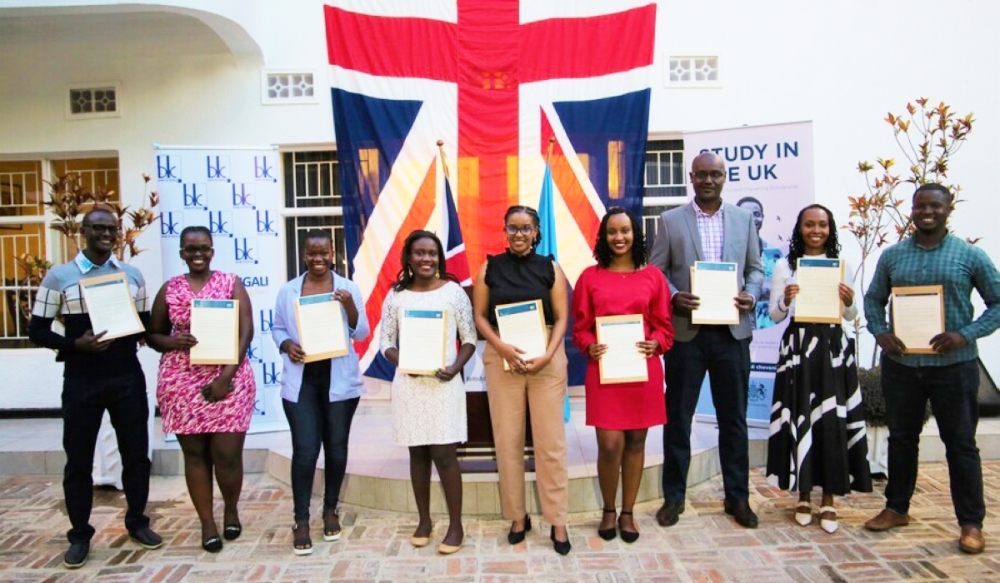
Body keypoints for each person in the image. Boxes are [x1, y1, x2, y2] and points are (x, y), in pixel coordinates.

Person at [863, 183, 1000, 554]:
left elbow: (997, 303)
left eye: (935, 206)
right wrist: (880, 332)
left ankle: (971, 523)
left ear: (948, 208)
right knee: (901, 439)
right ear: (912, 209)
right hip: (902, 365)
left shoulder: (970, 256)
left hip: (954, 366)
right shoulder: (893, 256)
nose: (927, 212)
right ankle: (896, 508)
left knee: (961, 444)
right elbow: (873, 299)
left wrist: (965, 334)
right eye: (920, 206)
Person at [27, 207, 163, 569]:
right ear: (83, 231)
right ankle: (79, 535)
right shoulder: (60, 277)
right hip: (81, 379)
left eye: (111, 229)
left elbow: (144, 326)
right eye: (98, 228)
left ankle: (137, 522)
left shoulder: (131, 276)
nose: (106, 234)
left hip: (126, 376)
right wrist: (74, 345)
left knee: (136, 454)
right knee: (78, 459)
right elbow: (36, 330)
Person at [648, 152, 764, 529]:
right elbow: (656, 271)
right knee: (679, 419)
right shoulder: (670, 221)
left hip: (732, 334)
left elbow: (755, 269)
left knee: (734, 421)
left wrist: (751, 293)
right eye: (702, 175)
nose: (709, 180)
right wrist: (672, 295)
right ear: (691, 177)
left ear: (724, 177)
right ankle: (673, 499)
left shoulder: (743, 219)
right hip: (688, 334)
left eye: (715, 174)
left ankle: (738, 499)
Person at [147, 226, 256, 553]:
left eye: (204, 248)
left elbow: (246, 332)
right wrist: (172, 341)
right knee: (195, 455)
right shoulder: (170, 288)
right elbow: (153, 335)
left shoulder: (231, 283)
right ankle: (207, 523)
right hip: (182, 383)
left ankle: (231, 509)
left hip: (229, 378)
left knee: (227, 455)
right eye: (191, 249)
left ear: (212, 251)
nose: (198, 254)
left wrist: (226, 377)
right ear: (181, 252)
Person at [765, 205, 872, 534]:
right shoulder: (785, 265)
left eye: (822, 225)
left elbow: (853, 315)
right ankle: (802, 495)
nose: (816, 230)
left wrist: (849, 300)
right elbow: (775, 314)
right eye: (809, 224)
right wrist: (785, 299)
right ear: (799, 228)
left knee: (830, 419)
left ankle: (828, 497)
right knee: (799, 416)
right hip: (798, 348)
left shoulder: (841, 265)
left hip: (832, 349)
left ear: (830, 229)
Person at [472, 205, 572, 555]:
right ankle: (517, 516)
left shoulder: (550, 267)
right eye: (513, 228)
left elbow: (562, 318)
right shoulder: (489, 268)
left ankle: (558, 520)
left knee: (551, 444)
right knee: (508, 441)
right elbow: (479, 316)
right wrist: (500, 346)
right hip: (503, 355)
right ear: (504, 230)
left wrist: (547, 354)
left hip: (546, 356)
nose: (519, 234)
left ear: (536, 231)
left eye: (525, 228)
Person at [572, 208, 674, 543]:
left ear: (635, 234)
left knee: (636, 441)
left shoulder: (653, 277)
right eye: (612, 232)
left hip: (641, 370)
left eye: (625, 231)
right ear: (603, 237)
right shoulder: (590, 277)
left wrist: (656, 341)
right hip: (604, 370)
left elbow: (664, 327)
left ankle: (627, 512)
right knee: (609, 443)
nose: (619, 237)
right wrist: (588, 345)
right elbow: (580, 328)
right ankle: (608, 509)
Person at [272, 229, 369, 555]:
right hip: (302, 384)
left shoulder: (348, 288)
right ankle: (300, 519)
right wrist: (287, 345)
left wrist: (349, 306)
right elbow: (277, 328)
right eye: (312, 253)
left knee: (337, 450)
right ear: (304, 255)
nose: (318, 258)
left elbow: (361, 332)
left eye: (323, 252)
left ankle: (330, 509)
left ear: (333, 254)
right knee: (305, 450)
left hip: (339, 382)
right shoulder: (288, 291)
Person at [380, 230, 477, 555]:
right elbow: (385, 342)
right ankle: (424, 520)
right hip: (410, 386)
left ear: (440, 258)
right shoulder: (396, 296)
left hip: (444, 385)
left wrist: (455, 367)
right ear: (409, 257)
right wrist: (405, 361)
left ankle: (456, 525)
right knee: (418, 454)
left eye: (432, 253)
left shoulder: (453, 293)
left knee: (445, 455)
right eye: (420, 253)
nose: (426, 259)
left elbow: (469, 338)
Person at [737, 195, 780, 330]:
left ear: (763, 217)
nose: (751, 219)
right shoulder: (726, 253)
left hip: (769, 326)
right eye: (746, 214)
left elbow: (780, 291)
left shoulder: (774, 254)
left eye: (756, 214)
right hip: (736, 325)